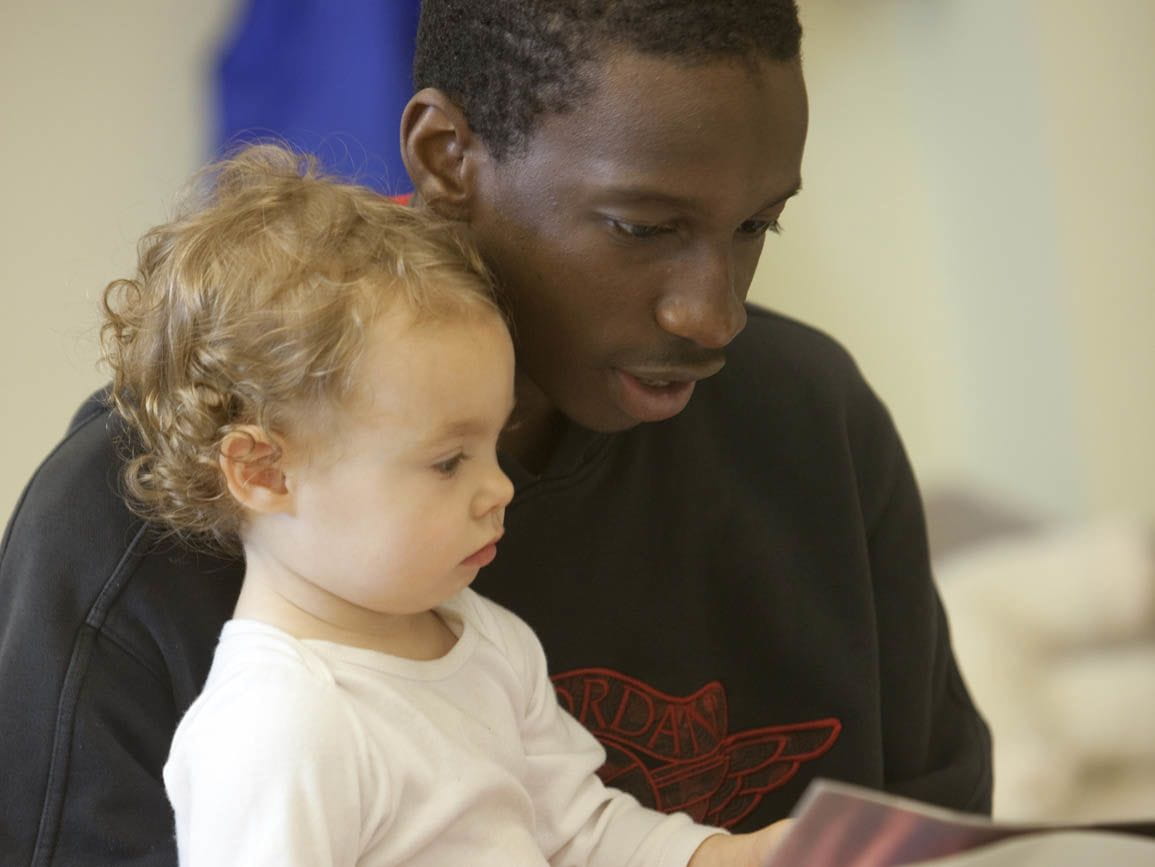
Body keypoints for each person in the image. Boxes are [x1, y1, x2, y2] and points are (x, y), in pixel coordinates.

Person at [0, 1, 992, 864]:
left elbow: (597, 827)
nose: (713, 315)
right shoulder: (131, 536)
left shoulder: (813, 419)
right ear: (446, 156)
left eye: (755, 227)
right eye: (642, 227)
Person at [100, 143, 787, 865]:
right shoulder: (280, 724)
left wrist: (741, 855)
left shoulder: (485, 639)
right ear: (265, 470)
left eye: (495, 442)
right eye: (448, 460)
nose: (500, 487)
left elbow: (580, 834)